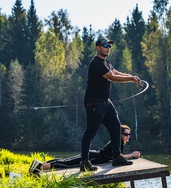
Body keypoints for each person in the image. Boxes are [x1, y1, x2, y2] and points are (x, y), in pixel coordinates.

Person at [81, 35, 141, 171]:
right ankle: (84, 162)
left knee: (115, 126)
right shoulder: (96, 63)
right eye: (105, 45)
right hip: (94, 103)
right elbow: (112, 77)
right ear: (98, 48)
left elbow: (115, 72)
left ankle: (117, 157)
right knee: (90, 132)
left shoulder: (105, 63)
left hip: (105, 102)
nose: (108, 48)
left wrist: (132, 77)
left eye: (109, 46)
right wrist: (131, 79)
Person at [29, 125, 141, 176]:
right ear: (120, 134)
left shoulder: (117, 142)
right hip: (93, 157)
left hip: (92, 154)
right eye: (126, 134)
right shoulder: (118, 142)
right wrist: (132, 155)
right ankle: (38, 168)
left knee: (65, 161)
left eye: (129, 134)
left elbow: (117, 155)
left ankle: (38, 165)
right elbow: (119, 157)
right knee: (67, 164)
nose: (128, 136)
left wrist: (130, 155)